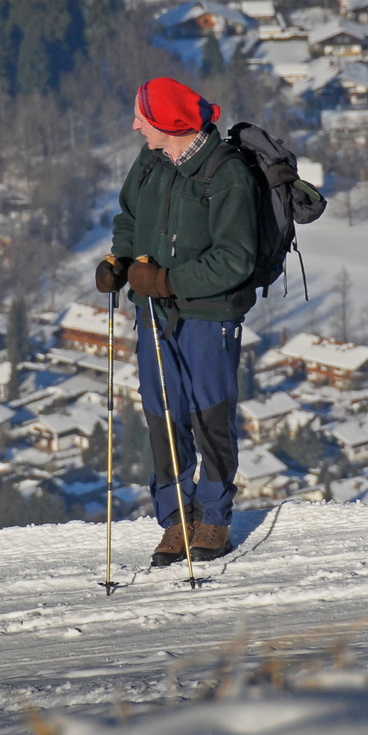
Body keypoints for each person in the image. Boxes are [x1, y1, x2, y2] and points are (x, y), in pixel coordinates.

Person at [97, 76, 258, 566]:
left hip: (209, 316)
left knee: (208, 414)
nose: (134, 125)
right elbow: (129, 216)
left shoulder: (226, 174)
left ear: (169, 123)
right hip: (153, 314)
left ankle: (213, 518)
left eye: (142, 117)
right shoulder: (151, 160)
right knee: (162, 413)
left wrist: (165, 281)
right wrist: (119, 262)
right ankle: (175, 521)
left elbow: (236, 259)